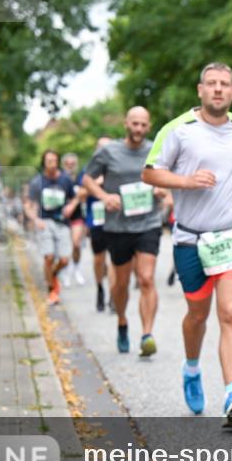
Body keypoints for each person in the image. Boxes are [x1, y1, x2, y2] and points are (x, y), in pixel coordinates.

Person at [143, 62, 232, 427]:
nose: (219, 89)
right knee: (197, 315)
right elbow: (149, 172)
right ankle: (192, 368)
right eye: (212, 84)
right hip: (191, 240)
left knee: (230, 313)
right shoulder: (178, 130)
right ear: (200, 89)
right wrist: (185, 181)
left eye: (225, 84)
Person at [83, 107, 167, 356]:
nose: (139, 129)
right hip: (118, 225)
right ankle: (122, 321)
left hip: (148, 222)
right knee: (120, 283)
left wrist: (162, 190)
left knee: (146, 279)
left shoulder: (156, 149)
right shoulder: (108, 151)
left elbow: (165, 176)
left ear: (149, 126)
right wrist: (104, 196)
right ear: (126, 124)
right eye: (134, 124)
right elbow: (87, 179)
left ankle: (147, 335)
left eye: (143, 124)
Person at [25, 151, 77, 305]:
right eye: (49, 161)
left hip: (62, 222)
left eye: (54, 160)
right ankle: (51, 291)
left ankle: (52, 273)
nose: (52, 163)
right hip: (45, 221)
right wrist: (35, 220)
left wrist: (71, 206)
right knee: (48, 257)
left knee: (65, 259)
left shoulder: (66, 180)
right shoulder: (37, 182)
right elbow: (28, 205)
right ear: (44, 163)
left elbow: (76, 197)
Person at [86, 137, 115, 313]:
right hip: (96, 220)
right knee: (99, 259)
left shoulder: (117, 167)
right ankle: (100, 288)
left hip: (115, 220)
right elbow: (81, 191)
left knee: (114, 261)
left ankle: (113, 296)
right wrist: (94, 186)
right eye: (101, 147)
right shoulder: (90, 169)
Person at [60, 152, 88, 287]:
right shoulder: (59, 178)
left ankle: (76, 268)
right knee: (65, 247)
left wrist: (74, 203)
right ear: (63, 164)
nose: (70, 166)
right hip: (61, 217)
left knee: (76, 244)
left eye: (72, 164)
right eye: (67, 164)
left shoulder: (80, 178)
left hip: (77, 216)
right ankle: (65, 272)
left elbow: (85, 193)